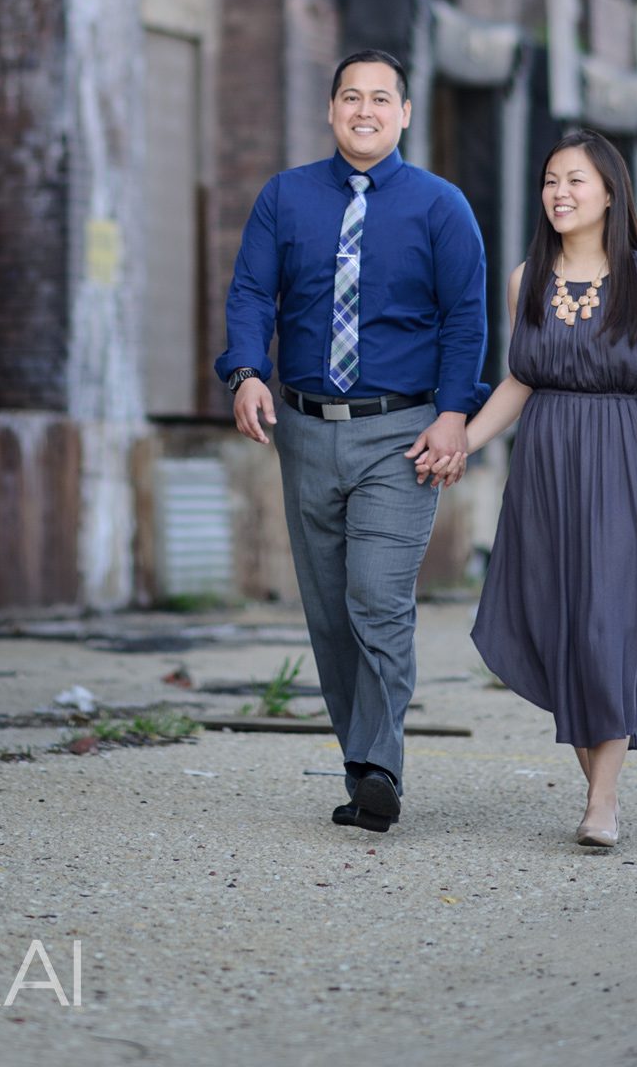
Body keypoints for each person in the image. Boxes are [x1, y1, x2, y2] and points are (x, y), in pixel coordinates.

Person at [217, 50, 487, 833]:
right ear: (330, 110)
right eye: (349, 97)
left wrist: (453, 414)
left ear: (405, 113)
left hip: (402, 433)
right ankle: (358, 758)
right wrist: (244, 373)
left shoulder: (441, 207)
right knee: (330, 612)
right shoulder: (284, 197)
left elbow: (466, 318)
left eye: (380, 98)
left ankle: (380, 768)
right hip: (302, 429)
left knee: (377, 596)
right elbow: (250, 294)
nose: (363, 111)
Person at [422, 126, 637, 848]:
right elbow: (521, 379)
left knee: (609, 624)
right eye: (549, 181)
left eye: (575, 180)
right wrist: (461, 442)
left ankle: (602, 802)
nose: (559, 193)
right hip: (543, 467)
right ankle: (596, 790)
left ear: (608, 193)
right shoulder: (524, 279)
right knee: (559, 625)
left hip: (625, 463)